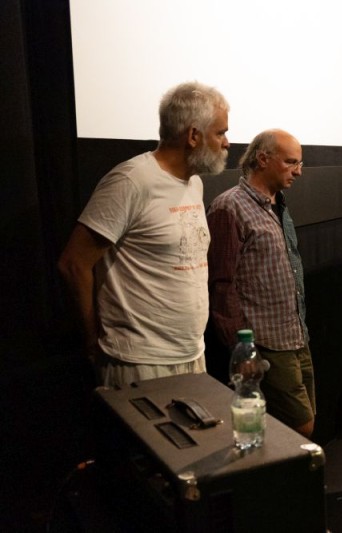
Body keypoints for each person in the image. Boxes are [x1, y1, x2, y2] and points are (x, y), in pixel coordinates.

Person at [58, 81, 230, 388]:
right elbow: (74, 263)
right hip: (139, 361)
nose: (227, 142)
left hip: (191, 354)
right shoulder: (131, 181)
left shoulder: (193, 183)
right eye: (220, 132)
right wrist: (92, 340)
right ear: (193, 135)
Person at [206, 129, 315, 439]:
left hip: (295, 335)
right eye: (291, 162)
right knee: (299, 428)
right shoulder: (230, 207)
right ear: (263, 159)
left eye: (300, 163)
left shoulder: (278, 204)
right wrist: (242, 351)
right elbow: (221, 286)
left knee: (305, 424)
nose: (298, 171)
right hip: (266, 344)